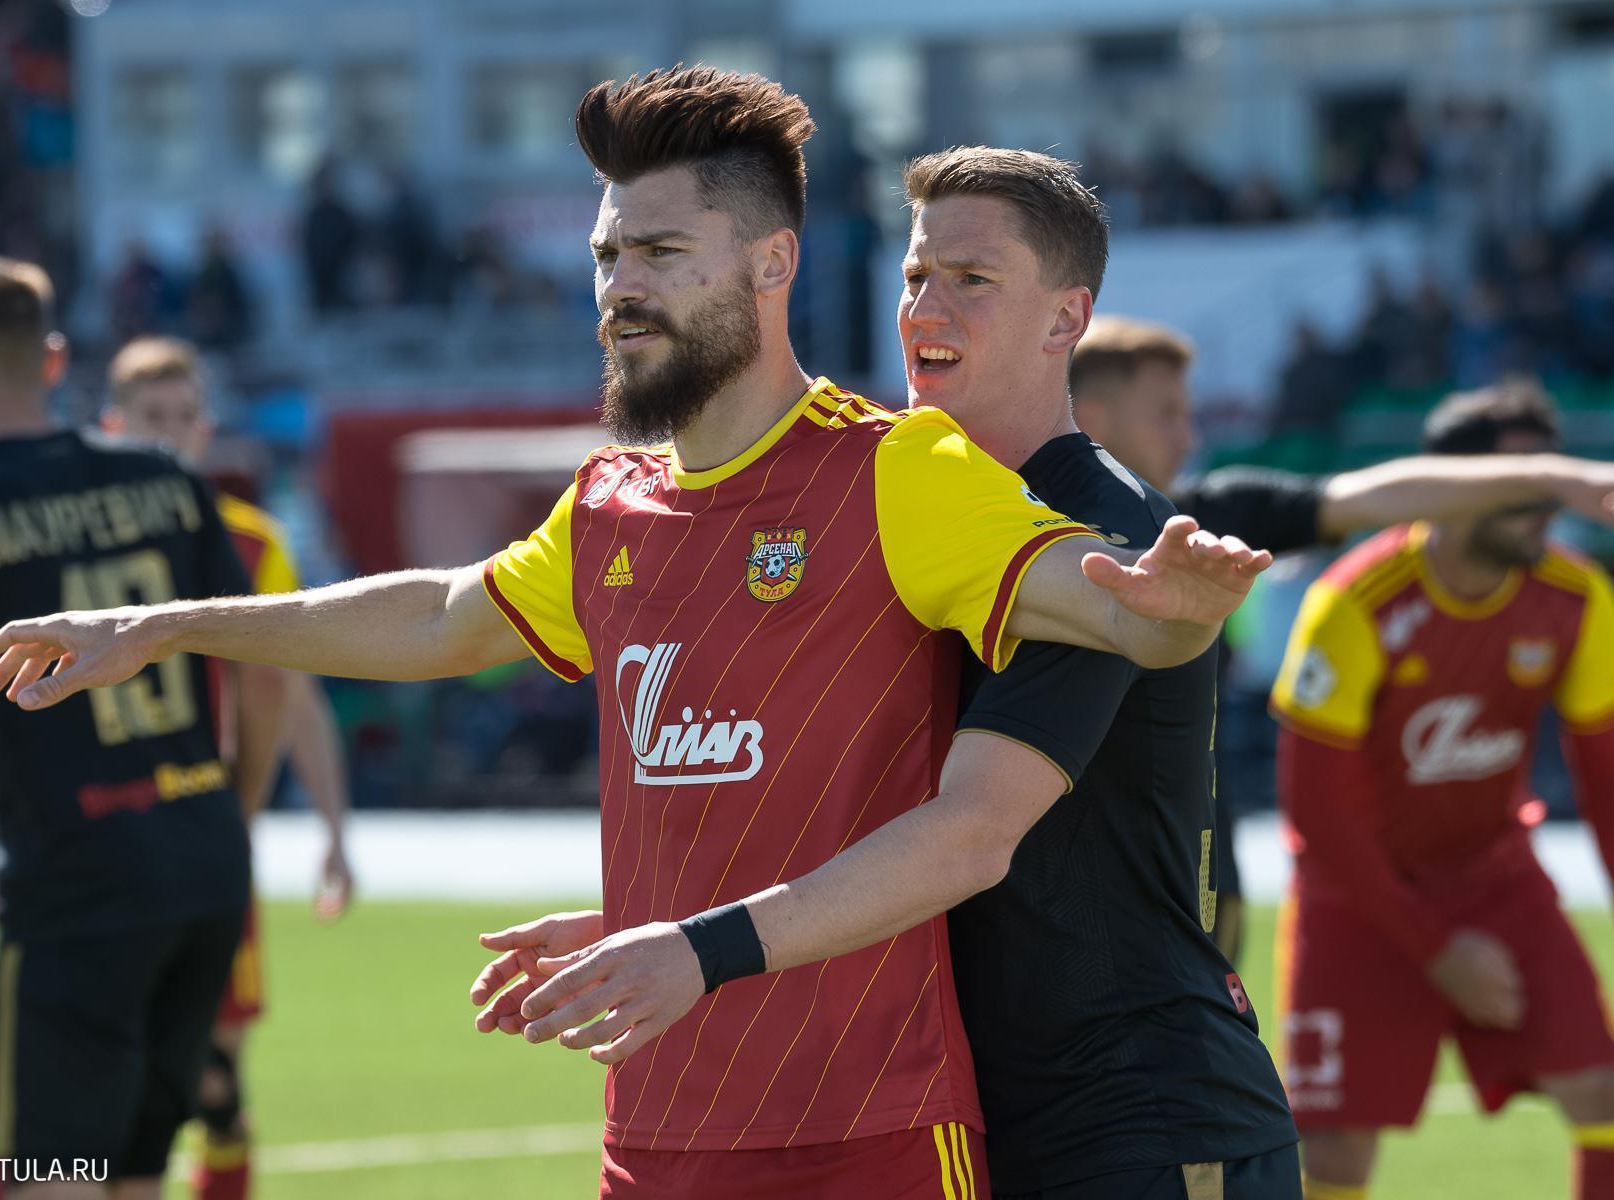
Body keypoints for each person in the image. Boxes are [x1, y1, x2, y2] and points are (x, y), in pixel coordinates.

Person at [0, 69, 1269, 1199]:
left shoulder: (900, 469)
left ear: (773, 264)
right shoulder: (608, 502)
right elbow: (442, 615)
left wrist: (1169, 609)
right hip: (652, 1131)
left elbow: (1103, 607)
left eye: (658, 253)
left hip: (877, 1132)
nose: (619, 289)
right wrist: (161, 626)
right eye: (606, 256)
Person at [490, 146, 1302, 1200]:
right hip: (1007, 1116)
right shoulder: (922, 510)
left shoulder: (1092, 532)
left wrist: (698, 943)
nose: (927, 307)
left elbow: (970, 835)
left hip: (1141, 1116)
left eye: (973, 279)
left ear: (1066, 319)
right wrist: (645, 921)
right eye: (917, 275)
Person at [0, 255, 286, 1200]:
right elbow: (263, 674)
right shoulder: (170, 482)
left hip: (76, 883)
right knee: (135, 1174)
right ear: (54, 360)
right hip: (202, 865)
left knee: (52, 1178)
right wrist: (234, 813)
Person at [1069, 313, 1614, 961]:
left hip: (1198, 863)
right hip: (1069, 875)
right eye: (1167, 415)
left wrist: (1557, 479)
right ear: (1094, 420)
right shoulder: (1030, 535)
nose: (1189, 436)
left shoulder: (1209, 516)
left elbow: (1371, 495)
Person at [1271, 382, 1614, 1200]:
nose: (1542, 506)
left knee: (1604, 1096)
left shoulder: (1577, 596)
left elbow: (1607, 784)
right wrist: (1435, 948)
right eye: (1518, 485)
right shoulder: (1353, 603)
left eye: (1550, 482)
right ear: (1448, 490)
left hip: (1499, 884)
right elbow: (1316, 813)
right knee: (1333, 1154)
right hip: (1357, 899)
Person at [100, 334, 355, 1200]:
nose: (169, 434)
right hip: (100, 841)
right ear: (112, 425)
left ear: (205, 429)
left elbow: (293, 691)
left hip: (206, 837)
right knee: (90, 1088)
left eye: (183, 416)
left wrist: (331, 831)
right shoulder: (79, 546)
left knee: (216, 1088)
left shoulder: (248, 544)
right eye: (151, 417)